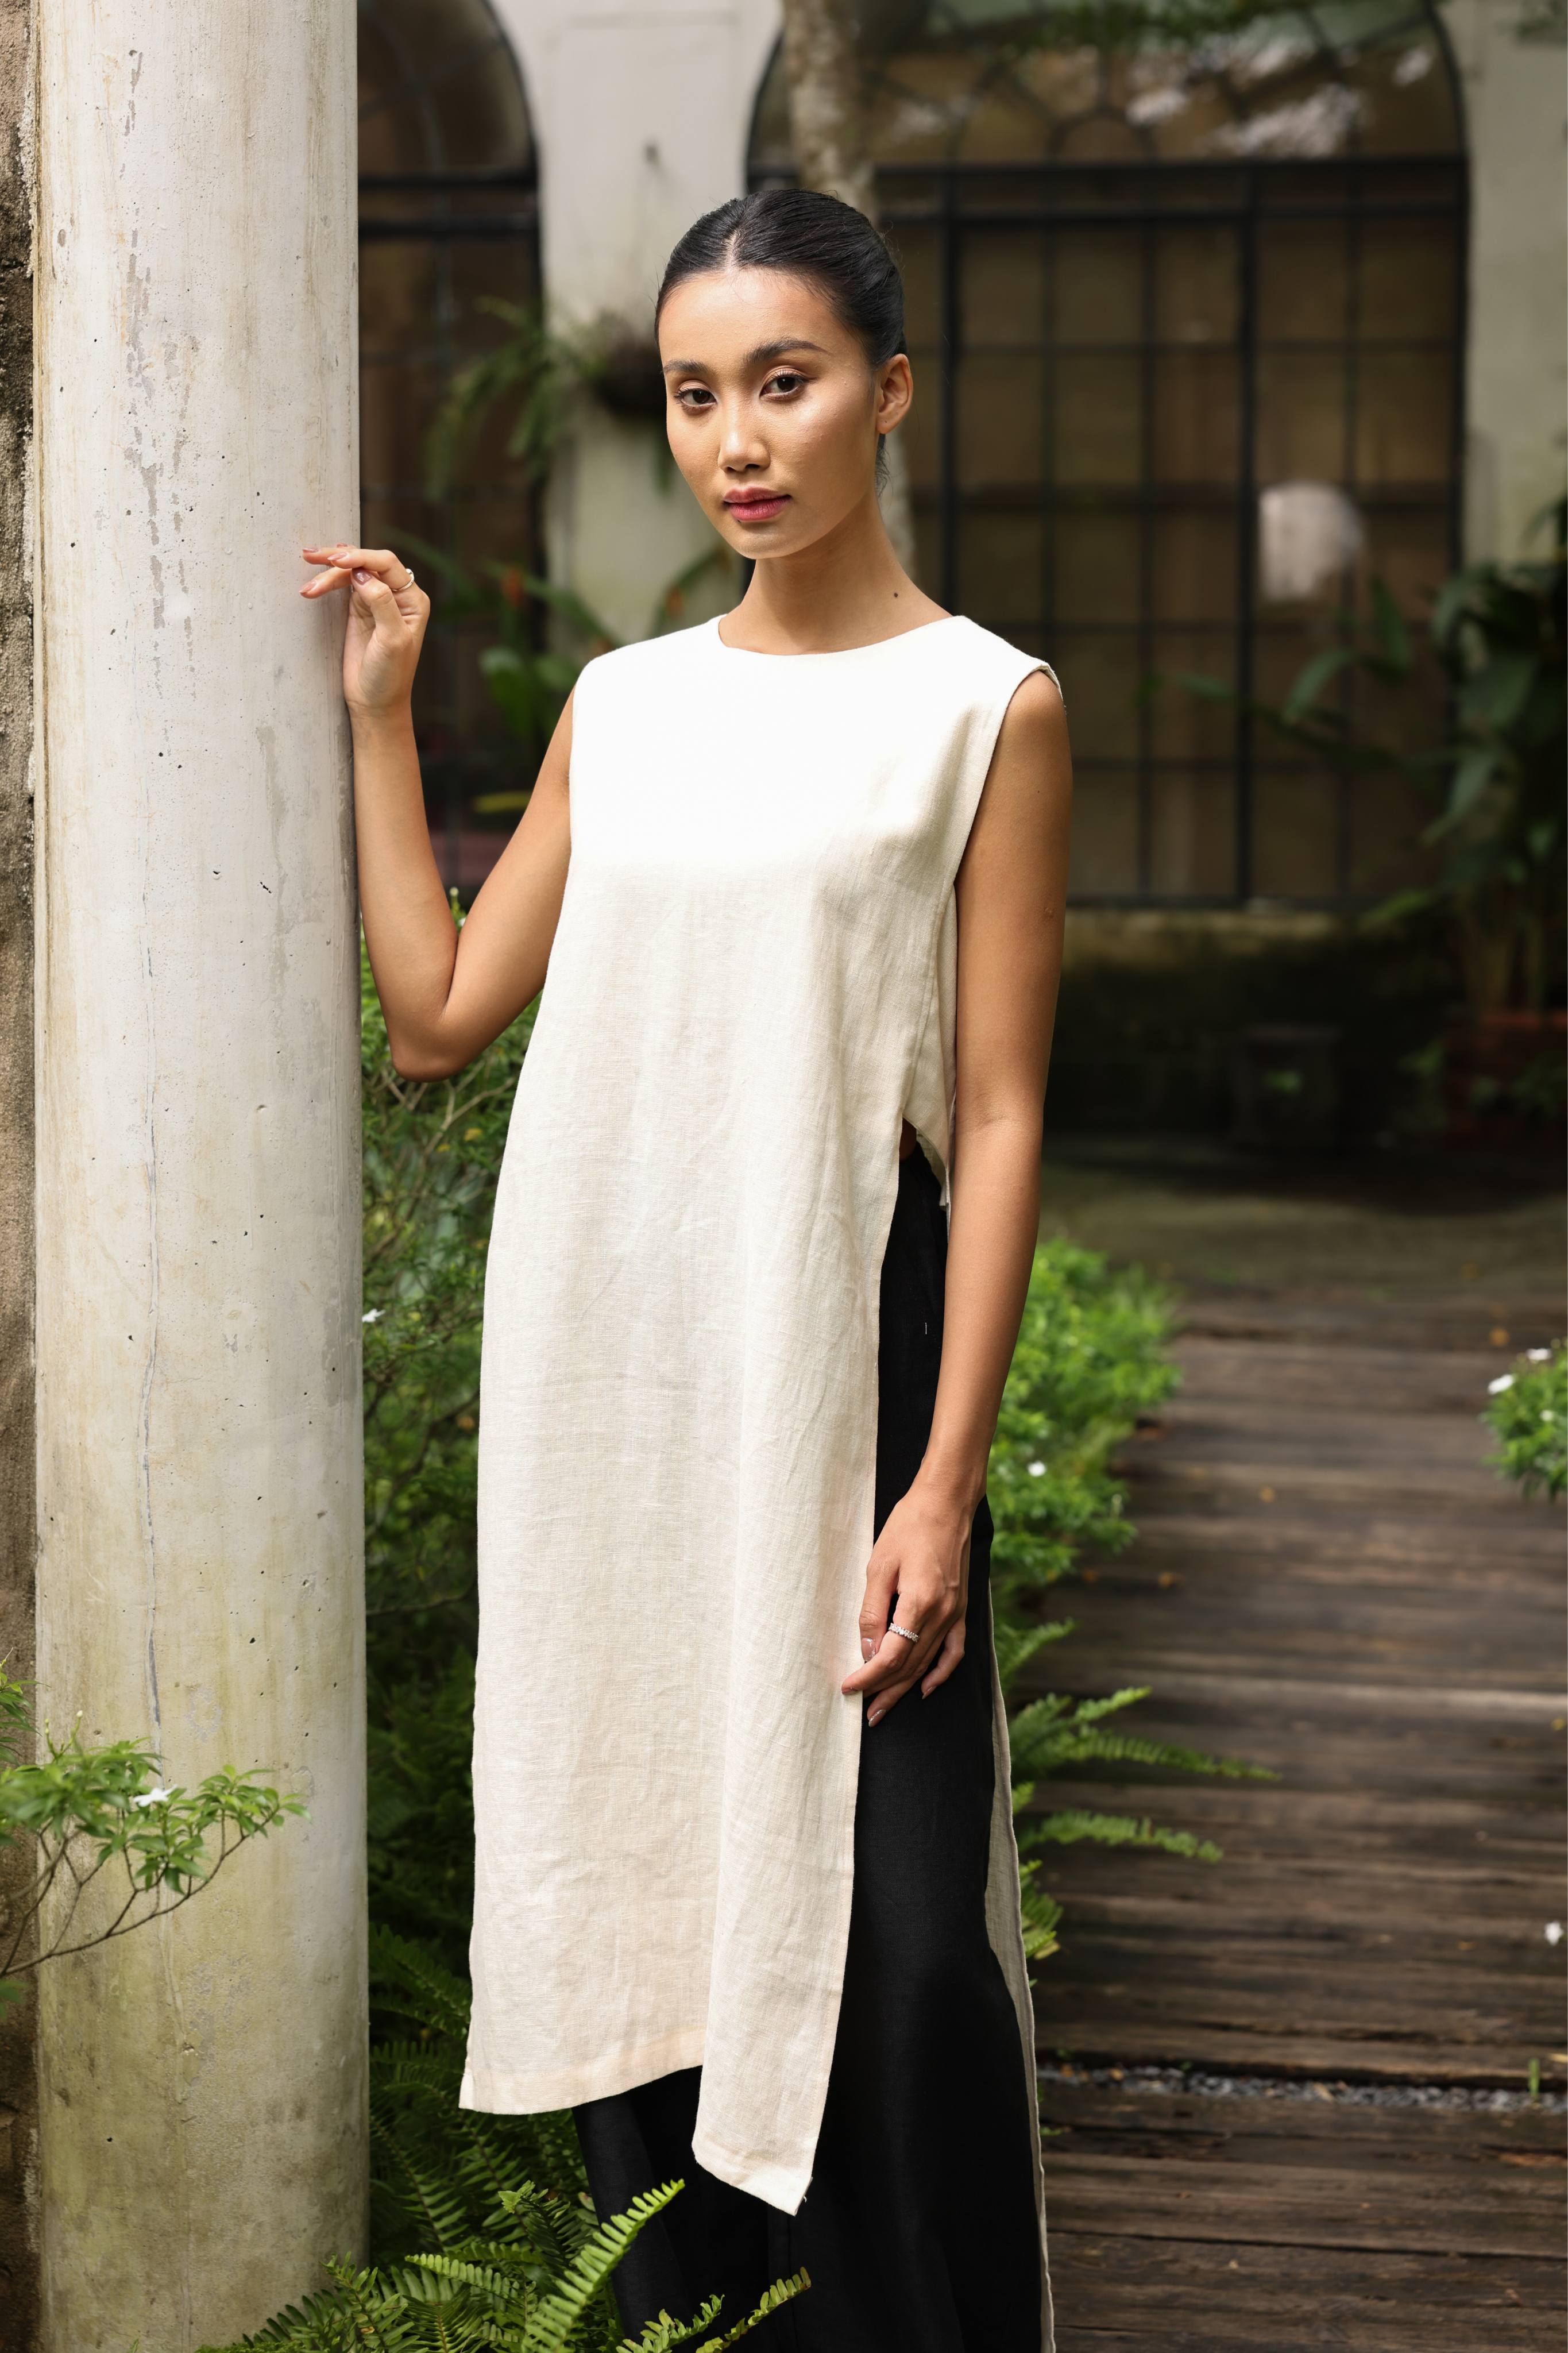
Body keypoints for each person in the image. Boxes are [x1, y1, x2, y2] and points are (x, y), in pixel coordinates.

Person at [302, 187, 1072, 2353]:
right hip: (622, 1389)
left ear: (887, 396)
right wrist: (385, 715)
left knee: (908, 1954)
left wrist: (943, 1484)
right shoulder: (625, 706)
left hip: (849, 1365)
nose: (738, 438)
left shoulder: (982, 708)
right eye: (695, 394)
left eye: (787, 383)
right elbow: (444, 1013)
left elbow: (999, 1110)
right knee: (643, 1903)